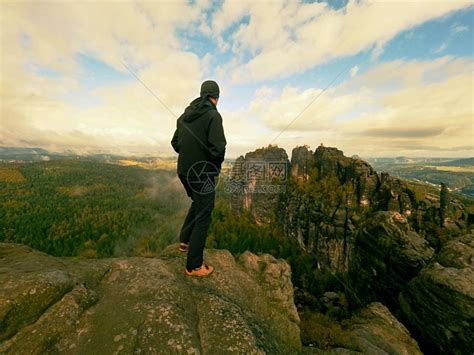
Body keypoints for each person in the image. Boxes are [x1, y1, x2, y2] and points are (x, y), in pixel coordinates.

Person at [171, 80, 226, 277]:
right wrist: (213, 166)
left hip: (185, 171)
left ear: (201, 94)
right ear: (216, 97)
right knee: (205, 213)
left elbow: (175, 142)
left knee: (198, 203)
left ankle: (184, 241)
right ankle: (194, 266)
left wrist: (188, 154)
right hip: (202, 173)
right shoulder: (213, 115)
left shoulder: (185, 116)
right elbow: (218, 148)